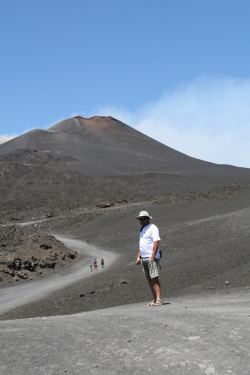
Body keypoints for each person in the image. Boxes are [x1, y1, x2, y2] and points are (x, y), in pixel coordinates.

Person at [136, 210, 162, 307]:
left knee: (154, 277)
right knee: (149, 279)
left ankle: (159, 299)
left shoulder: (153, 228)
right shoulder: (142, 229)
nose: (142, 220)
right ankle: (154, 299)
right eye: (140, 219)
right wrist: (138, 256)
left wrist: (152, 256)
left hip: (151, 257)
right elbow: (141, 244)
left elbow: (156, 242)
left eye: (143, 219)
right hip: (144, 257)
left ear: (148, 218)